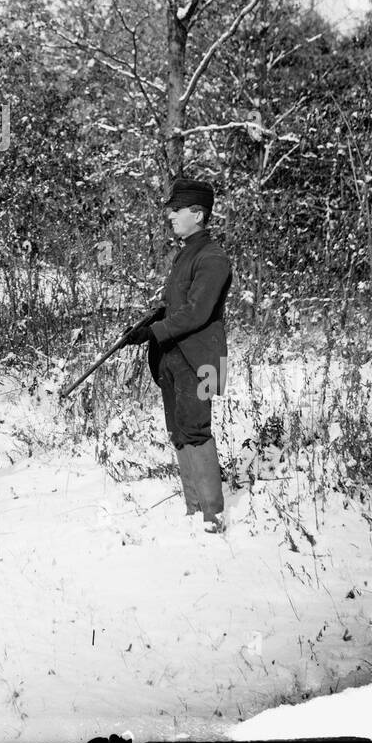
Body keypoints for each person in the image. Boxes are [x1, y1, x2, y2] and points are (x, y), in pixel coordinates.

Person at [121, 178, 232, 535]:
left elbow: (198, 312)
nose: (170, 215)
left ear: (198, 214)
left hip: (203, 362)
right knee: (179, 430)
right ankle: (193, 510)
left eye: (177, 209)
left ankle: (213, 517)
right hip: (174, 358)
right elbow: (178, 305)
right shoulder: (185, 253)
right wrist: (153, 318)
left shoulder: (212, 257)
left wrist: (153, 331)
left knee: (196, 431)